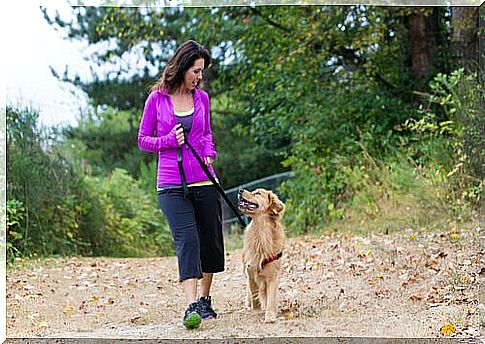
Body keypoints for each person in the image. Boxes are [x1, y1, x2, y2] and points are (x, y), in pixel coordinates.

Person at [137, 40, 224, 329]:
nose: (200, 77)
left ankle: (204, 299)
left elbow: (207, 134)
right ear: (183, 67)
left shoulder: (202, 99)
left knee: (210, 240)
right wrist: (168, 142)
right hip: (171, 184)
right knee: (188, 241)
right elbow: (143, 140)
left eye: (202, 72)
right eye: (196, 71)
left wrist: (210, 154)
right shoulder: (157, 99)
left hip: (204, 178)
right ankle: (190, 306)